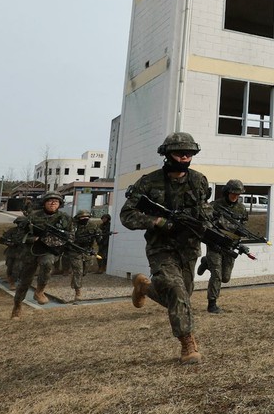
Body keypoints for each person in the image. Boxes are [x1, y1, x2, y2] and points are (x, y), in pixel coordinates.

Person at [121, 132, 212, 364]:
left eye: (189, 153)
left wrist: (205, 223)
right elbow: (127, 215)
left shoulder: (199, 180)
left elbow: (205, 209)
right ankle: (187, 344)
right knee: (176, 289)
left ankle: (143, 287)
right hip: (161, 247)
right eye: (179, 153)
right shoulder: (148, 182)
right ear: (166, 155)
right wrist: (157, 222)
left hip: (189, 248)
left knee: (183, 296)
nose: (184, 157)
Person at [11, 192, 73, 319]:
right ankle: (17, 306)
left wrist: (59, 241)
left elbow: (71, 236)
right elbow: (18, 235)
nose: (53, 203)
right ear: (44, 203)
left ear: (59, 204)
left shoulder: (65, 218)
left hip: (49, 250)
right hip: (31, 251)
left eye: (56, 201)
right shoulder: (33, 217)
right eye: (50, 201)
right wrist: (32, 239)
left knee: (47, 263)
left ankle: (39, 291)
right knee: (24, 282)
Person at [200, 179, 248, 314]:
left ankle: (206, 262)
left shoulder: (241, 208)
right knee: (217, 275)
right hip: (214, 244)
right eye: (233, 193)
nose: (235, 197)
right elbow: (206, 224)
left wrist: (240, 240)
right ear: (227, 192)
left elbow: (243, 226)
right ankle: (212, 304)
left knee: (225, 277)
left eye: (238, 194)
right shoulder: (214, 206)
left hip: (230, 246)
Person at [69, 210, 100, 301]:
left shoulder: (93, 225)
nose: (84, 219)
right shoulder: (73, 226)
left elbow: (98, 237)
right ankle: (78, 292)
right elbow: (69, 237)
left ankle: (75, 280)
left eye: (86, 217)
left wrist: (99, 236)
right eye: (82, 218)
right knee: (78, 270)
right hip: (75, 250)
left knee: (84, 271)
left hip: (87, 251)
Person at [0, 216, 29, 290]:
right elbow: (2, 240)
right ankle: (10, 279)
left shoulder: (28, 232)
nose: (20, 224)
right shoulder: (12, 231)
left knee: (17, 267)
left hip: (22, 252)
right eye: (19, 223)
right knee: (9, 266)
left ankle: (13, 282)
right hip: (11, 252)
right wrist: (9, 243)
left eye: (22, 223)